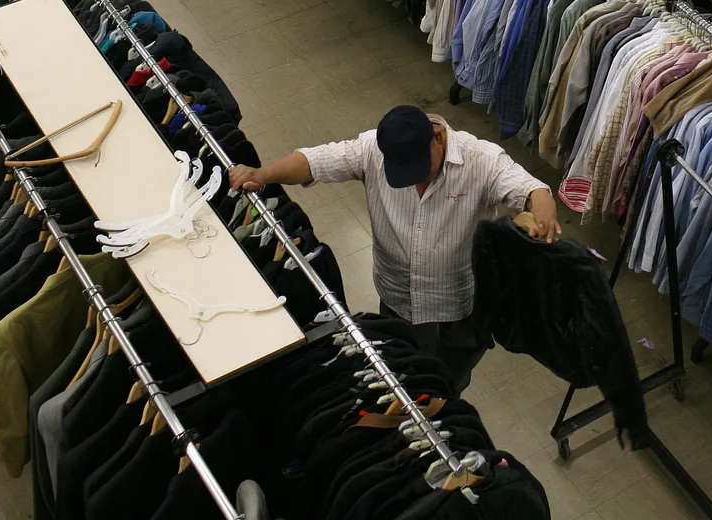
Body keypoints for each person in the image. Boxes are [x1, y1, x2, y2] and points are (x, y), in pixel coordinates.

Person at [228, 105, 560, 391]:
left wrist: (540, 217)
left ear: (439, 138)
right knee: (398, 367)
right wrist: (263, 174)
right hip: (398, 297)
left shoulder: (482, 160)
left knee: (446, 381)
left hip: (460, 308)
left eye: (420, 171)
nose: (416, 182)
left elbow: (531, 190)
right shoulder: (372, 149)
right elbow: (316, 161)